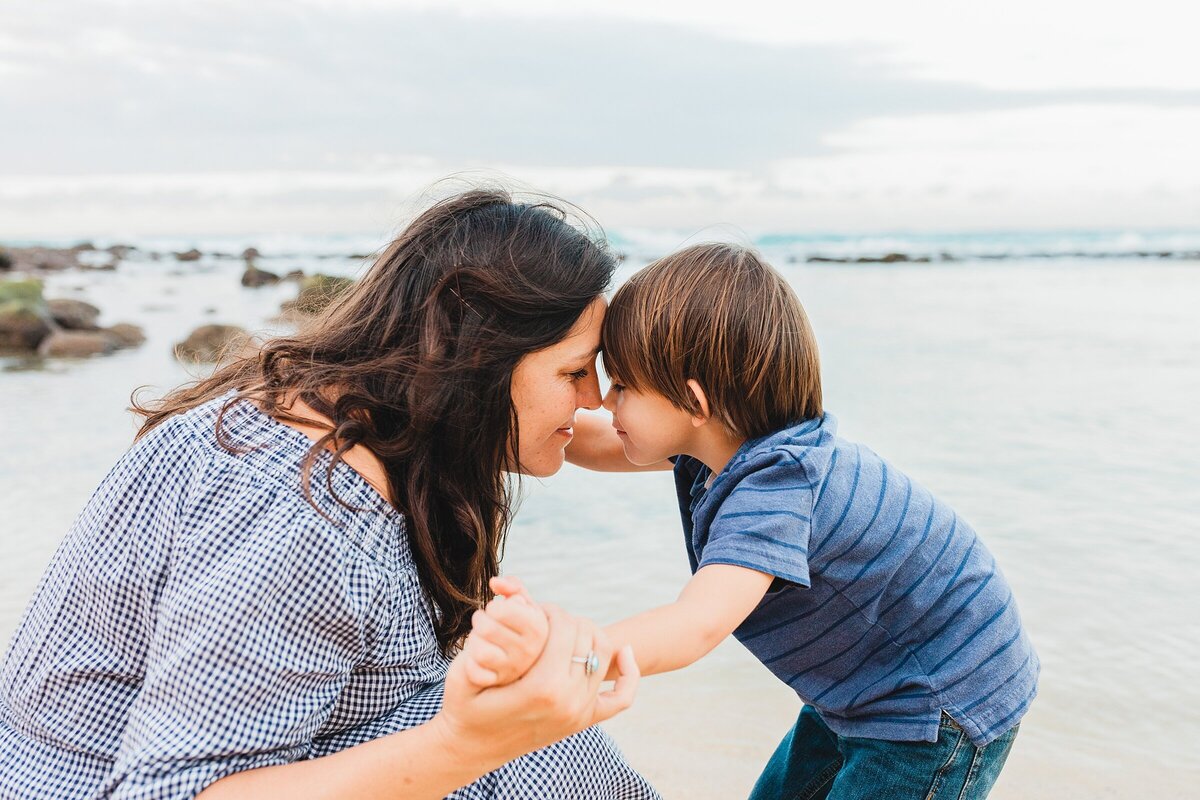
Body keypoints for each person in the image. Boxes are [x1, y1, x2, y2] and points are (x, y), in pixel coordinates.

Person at [0, 189, 660, 800]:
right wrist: (467, 743)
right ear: (477, 362)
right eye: (574, 371)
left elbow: (587, 435)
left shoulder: (342, 417)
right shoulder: (300, 516)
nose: (593, 398)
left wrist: (718, 431)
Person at [508, 243, 1039, 799]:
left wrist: (570, 660)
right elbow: (586, 445)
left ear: (693, 402)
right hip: (863, 687)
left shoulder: (776, 489)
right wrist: (507, 420)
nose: (603, 405)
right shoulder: (722, 445)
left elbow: (696, 625)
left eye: (621, 386)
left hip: (935, 707)